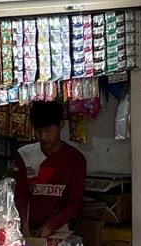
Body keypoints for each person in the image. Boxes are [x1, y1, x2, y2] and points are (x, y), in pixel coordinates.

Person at [12, 101, 88, 237]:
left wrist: (50, 226)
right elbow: (20, 195)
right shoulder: (24, 155)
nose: (43, 137)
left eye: (48, 130)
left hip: (62, 230)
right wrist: (23, 224)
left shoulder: (75, 160)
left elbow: (75, 202)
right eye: (38, 131)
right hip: (28, 230)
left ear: (61, 126)